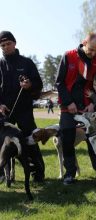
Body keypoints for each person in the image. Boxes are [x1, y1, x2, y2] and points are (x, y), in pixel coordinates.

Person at [56, 33, 96, 185]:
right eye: (91, 49)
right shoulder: (68, 56)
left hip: (88, 107)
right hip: (68, 107)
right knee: (67, 140)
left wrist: (93, 103)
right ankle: (70, 173)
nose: (94, 53)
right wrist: (68, 102)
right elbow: (59, 83)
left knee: (94, 140)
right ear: (84, 43)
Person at [0, 31, 45, 182]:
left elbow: (39, 84)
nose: (5, 47)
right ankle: (4, 174)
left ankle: (37, 173)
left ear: (15, 43)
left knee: (30, 141)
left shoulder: (27, 63)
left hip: (25, 110)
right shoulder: (0, 65)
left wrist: (30, 84)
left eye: (8, 44)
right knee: (3, 143)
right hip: (5, 112)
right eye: (2, 45)